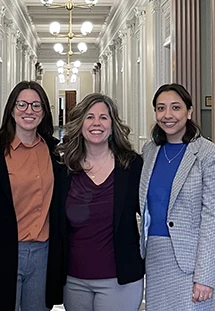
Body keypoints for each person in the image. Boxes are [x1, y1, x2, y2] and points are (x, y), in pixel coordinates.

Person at [0, 81, 64, 310]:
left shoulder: (53, 151)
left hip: (43, 253)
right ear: (12, 109)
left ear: (44, 112)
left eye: (36, 105)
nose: (29, 110)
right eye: (22, 104)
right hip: (2, 251)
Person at [48, 93, 145, 311]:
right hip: (73, 281)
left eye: (104, 117)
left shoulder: (131, 166)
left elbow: (151, 214)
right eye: (90, 117)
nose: (96, 123)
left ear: (113, 124)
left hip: (119, 280)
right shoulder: (64, 168)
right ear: (80, 123)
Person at [139, 83, 215, 311]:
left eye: (175, 108)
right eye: (161, 108)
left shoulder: (210, 155)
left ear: (189, 112)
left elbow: (213, 218)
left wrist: (205, 276)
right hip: (155, 255)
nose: (167, 115)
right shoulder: (149, 151)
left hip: (191, 262)